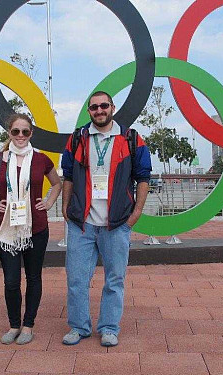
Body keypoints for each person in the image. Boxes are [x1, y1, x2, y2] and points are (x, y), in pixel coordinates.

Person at [61, 91, 152, 347]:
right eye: (94, 107)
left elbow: (144, 178)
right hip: (83, 223)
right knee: (76, 278)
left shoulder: (131, 138)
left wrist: (136, 213)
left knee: (115, 279)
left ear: (112, 107)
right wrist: (66, 207)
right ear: (89, 111)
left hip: (117, 222)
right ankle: (79, 326)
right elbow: (67, 175)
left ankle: (109, 327)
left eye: (103, 105)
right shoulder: (78, 139)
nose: (99, 110)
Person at [0, 113, 62, 346]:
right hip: (8, 228)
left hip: (37, 227)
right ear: (9, 133)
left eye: (25, 132)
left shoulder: (41, 159)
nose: (20, 136)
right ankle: (14, 325)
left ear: (31, 133)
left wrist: (49, 203)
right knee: (11, 281)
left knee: (34, 278)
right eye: (16, 132)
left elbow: (57, 184)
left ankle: (28, 325)